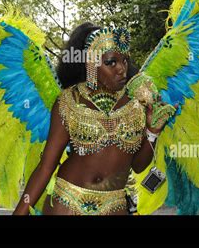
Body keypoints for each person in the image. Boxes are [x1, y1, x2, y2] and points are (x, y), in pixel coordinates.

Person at [13, 23, 176, 215]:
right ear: (91, 64)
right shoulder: (68, 101)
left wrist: (152, 131)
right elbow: (46, 167)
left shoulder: (137, 104)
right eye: (111, 63)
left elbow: (138, 166)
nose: (122, 69)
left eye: (124, 60)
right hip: (67, 201)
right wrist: (20, 212)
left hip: (114, 205)